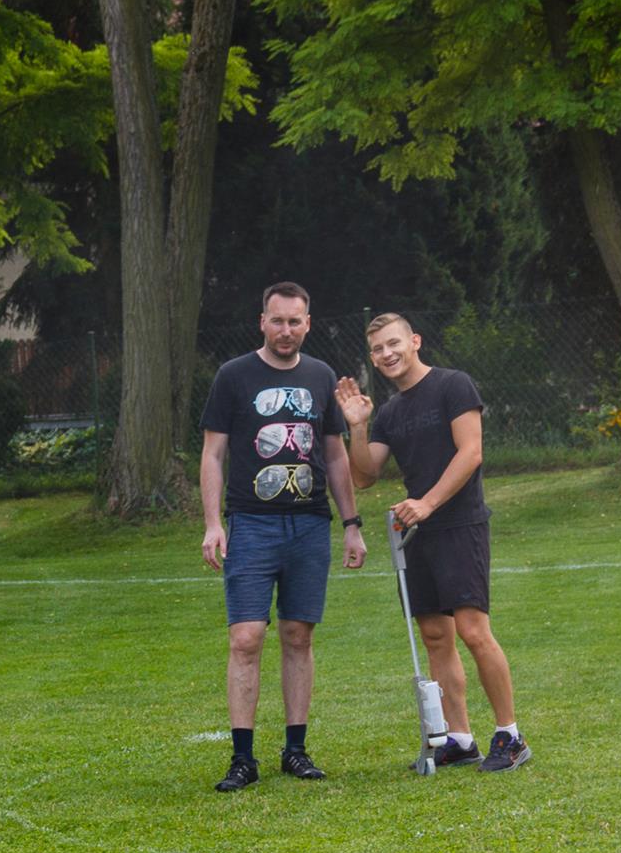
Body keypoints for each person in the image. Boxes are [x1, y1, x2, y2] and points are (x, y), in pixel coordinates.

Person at [334, 313, 530, 772]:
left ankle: (510, 736)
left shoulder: (453, 385)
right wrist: (357, 427)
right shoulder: (389, 413)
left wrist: (427, 503)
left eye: (393, 343)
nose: (387, 354)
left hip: (459, 524)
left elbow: (471, 452)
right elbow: (364, 475)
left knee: (473, 631)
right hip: (416, 533)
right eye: (378, 349)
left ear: (415, 341)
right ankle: (459, 739)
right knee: (436, 636)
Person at [200, 282, 367, 792]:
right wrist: (213, 523)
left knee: (299, 636)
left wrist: (352, 525)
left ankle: (296, 750)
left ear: (308, 324)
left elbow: (335, 456)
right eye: (277, 320)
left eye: (295, 321)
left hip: (309, 524)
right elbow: (213, 455)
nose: (286, 330)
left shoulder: (320, 377)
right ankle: (242, 759)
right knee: (246, 638)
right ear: (262, 322)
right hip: (251, 524)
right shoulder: (233, 376)